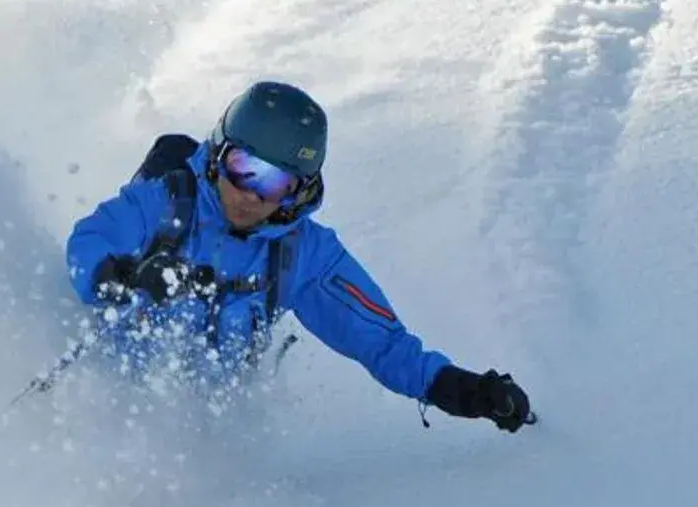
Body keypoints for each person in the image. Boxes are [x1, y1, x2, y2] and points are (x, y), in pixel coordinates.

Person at [64, 80, 535, 432]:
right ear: (217, 155)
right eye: (243, 168)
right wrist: (121, 276)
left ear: (299, 191)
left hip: (195, 437)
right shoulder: (166, 202)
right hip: (96, 400)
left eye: (275, 182)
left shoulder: (303, 255)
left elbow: (383, 343)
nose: (251, 194)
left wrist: (466, 391)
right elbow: (89, 242)